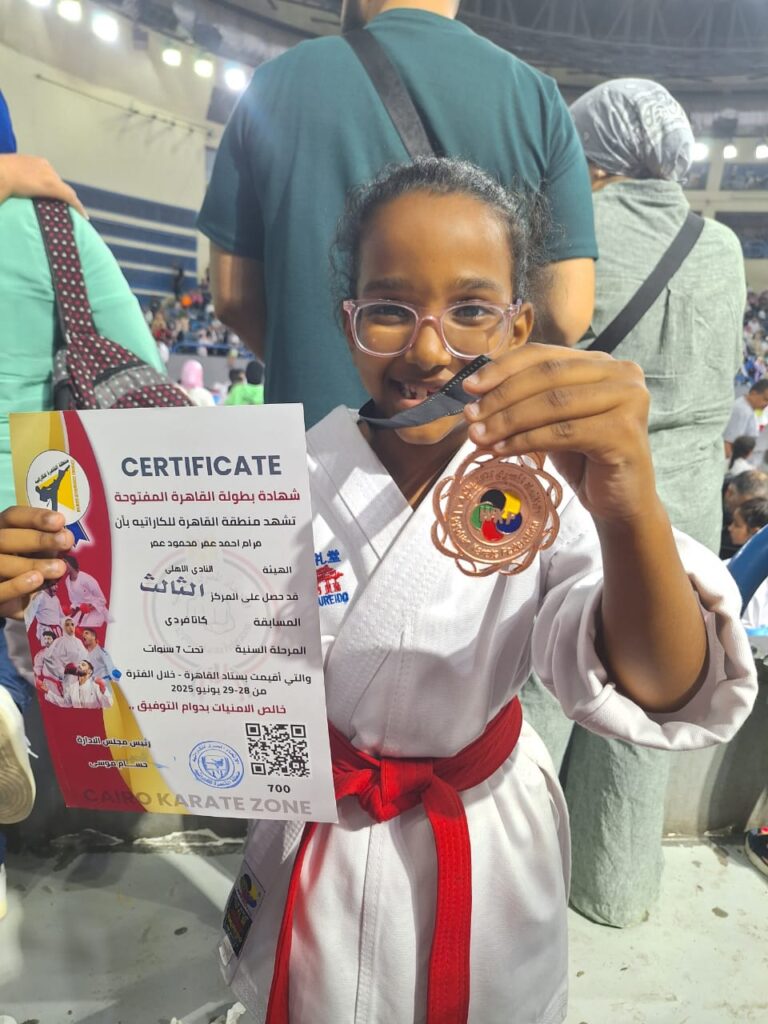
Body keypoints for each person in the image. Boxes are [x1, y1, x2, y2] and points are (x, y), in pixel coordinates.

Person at [0, 157, 757, 1022]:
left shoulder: (547, 493)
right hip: (318, 835)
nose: (428, 350)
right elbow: (152, 654)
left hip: (483, 839)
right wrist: (45, 586)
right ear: (348, 322)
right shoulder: (264, 484)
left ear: (518, 326)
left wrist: (629, 505)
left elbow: (664, 686)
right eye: (391, 309)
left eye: (470, 310)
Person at [514, 78, 749, 928]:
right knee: (652, 699)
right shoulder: (722, 246)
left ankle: (514, 878)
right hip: (685, 499)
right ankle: (613, 889)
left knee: (547, 677)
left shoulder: (577, 237)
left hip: (586, 483)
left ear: (594, 156)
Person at [198, 0, 598, 428]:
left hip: (309, 435)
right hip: (471, 439)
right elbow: (564, 315)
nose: (426, 354)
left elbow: (234, 298)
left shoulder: (274, 83)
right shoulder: (535, 96)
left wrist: (327, 364)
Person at [61, 554, 111, 638]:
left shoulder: (86, 579)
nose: (63, 566)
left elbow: (102, 600)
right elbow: (74, 601)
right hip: (80, 612)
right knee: (67, 627)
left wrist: (89, 607)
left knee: (90, 633)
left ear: (71, 563)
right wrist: (71, 610)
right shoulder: (67, 581)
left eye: (65, 562)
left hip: (96, 612)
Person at [723, 379, 768, 459]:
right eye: (765, 399)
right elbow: (728, 444)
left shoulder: (749, 409)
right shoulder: (742, 411)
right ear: (754, 393)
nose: (766, 404)